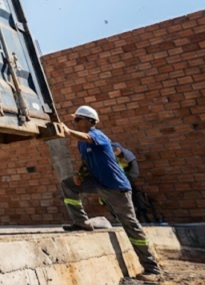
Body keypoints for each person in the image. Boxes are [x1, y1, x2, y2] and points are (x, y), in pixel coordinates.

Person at [60, 105, 162, 282]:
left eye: (78, 119)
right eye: (74, 120)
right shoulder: (81, 143)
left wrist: (68, 132)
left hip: (116, 187)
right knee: (68, 185)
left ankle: (152, 268)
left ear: (90, 121)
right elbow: (86, 161)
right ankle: (81, 222)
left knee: (130, 223)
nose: (75, 122)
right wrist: (79, 175)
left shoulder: (98, 135)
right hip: (98, 182)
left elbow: (89, 138)